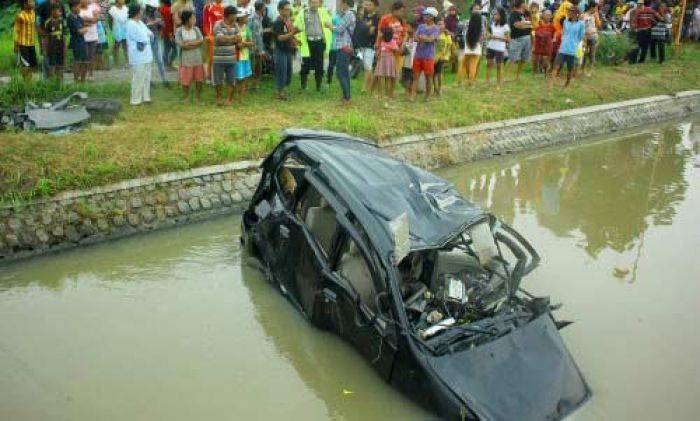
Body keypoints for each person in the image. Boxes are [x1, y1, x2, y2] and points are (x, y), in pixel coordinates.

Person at [294, 0, 332, 91]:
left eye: (316, 2)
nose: (314, 4)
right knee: (305, 64)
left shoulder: (323, 12)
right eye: (312, 2)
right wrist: (297, 39)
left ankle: (318, 86)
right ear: (309, 3)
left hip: (319, 42)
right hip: (307, 42)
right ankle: (303, 85)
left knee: (319, 65)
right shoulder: (303, 13)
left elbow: (330, 24)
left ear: (319, 3)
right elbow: (296, 26)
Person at [549, 7, 585, 88]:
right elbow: (564, 32)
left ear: (576, 13)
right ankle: (551, 84)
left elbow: (580, 36)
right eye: (568, 11)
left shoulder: (581, 24)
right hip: (562, 48)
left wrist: (575, 42)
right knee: (556, 66)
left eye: (570, 12)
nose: (568, 13)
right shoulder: (565, 21)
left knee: (570, 69)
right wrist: (565, 40)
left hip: (572, 50)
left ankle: (567, 83)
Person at [126, 4, 154, 105]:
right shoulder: (130, 24)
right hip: (137, 55)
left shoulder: (140, 23)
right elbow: (141, 37)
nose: (142, 13)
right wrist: (147, 37)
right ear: (137, 12)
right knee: (138, 77)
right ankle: (135, 100)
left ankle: (146, 97)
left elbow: (150, 33)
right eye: (141, 11)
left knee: (147, 77)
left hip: (147, 54)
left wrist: (147, 36)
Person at [378, 1, 407, 94]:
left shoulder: (402, 21)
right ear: (395, 10)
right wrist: (378, 47)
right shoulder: (385, 19)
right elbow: (380, 33)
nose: (402, 13)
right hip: (387, 50)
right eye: (401, 11)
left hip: (398, 49)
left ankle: (391, 92)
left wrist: (402, 45)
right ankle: (385, 92)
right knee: (387, 72)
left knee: (395, 72)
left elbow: (405, 34)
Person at [213, 5, 240, 105]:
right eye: (234, 15)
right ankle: (218, 98)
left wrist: (228, 38)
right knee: (218, 80)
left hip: (232, 58)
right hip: (218, 59)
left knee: (231, 80)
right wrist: (233, 38)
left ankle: (229, 99)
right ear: (229, 15)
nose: (236, 17)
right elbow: (220, 38)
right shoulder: (218, 24)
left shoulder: (235, 25)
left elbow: (239, 38)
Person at [175, 9, 204, 101]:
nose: (194, 20)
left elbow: (201, 40)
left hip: (197, 59)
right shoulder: (179, 30)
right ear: (187, 20)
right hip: (186, 60)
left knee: (199, 79)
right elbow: (182, 44)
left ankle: (198, 97)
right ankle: (186, 96)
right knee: (185, 79)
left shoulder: (196, 29)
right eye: (192, 18)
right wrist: (194, 43)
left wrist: (189, 43)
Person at [410, 7, 439, 101]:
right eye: (425, 15)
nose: (425, 17)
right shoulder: (421, 26)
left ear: (432, 17)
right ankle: (412, 95)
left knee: (428, 77)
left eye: (427, 15)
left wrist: (423, 38)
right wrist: (425, 38)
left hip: (428, 56)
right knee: (415, 76)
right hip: (418, 55)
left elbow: (432, 39)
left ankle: (428, 95)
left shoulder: (436, 28)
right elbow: (415, 37)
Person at [273, 0, 298, 100]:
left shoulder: (288, 21)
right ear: (279, 10)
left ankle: (283, 91)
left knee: (288, 72)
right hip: (280, 50)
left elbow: (290, 35)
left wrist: (295, 40)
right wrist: (292, 33)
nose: (288, 12)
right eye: (286, 9)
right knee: (281, 72)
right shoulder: (277, 22)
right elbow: (280, 37)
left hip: (288, 49)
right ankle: (280, 93)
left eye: (289, 9)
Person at [332, 0, 356, 105]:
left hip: (344, 47)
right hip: (343, 46)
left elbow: (339, 29)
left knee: (341, 73)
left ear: (345, 3)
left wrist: (329, 26)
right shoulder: (345, 14)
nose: (339, 5)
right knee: (344, 73)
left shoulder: (349, 14)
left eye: (341, 2)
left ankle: (347, 97)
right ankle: (346, 96)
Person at [356, 0, 380, 93]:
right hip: (362, 44)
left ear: (375, 6)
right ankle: (370, 87)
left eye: (370, 5)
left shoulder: (377, 18)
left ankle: (365, 87)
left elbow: (372, 32)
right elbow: (362, 30)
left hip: (371, 44)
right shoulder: (365, 16)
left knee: (368, 66)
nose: (367, 6)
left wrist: (366, 28)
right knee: (366, 65)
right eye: (367, 5)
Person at [36, 0, 64, 79]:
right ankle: (47, 79)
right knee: (46, 55)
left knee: (58, 59)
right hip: (46, 35)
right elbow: (37, 20)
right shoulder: (43, 5)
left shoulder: (61, 5)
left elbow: (63, 18)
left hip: (58, 38)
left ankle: (58, 79)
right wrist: (41, 32)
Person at [506, 0, 532, 82]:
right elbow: (516, 25)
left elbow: (532, 24)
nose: (526, 5)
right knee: (513, 58)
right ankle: (506, 77)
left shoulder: (526, 14)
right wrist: (527, 24)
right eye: (525, 3)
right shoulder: (514, 14)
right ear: (521, 4)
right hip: (517, 39)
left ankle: (518, 77)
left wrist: (524, 24)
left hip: (527, 37)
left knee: (524, 59)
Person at [458, 5, 483, 87]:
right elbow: (482, 38)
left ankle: (459, 81)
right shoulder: (481, 25)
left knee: (463, 64)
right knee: (473, 66)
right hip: (476, 47)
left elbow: (464, 35)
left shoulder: (466, 23)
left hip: (468, 46)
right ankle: (471, 83)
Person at [143, 4, 169, 85]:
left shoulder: (156, 12)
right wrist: (155, 22)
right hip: (146, 40)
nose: (154, 9)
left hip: (155, 38)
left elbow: (162, 23)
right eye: (152, 8)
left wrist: (160, 24)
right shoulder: (143, 14)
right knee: (147, 61)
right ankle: (149, 81)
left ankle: (164, 80)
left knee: (159, 60)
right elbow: (144, 25)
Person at [485, 7, 509, 87]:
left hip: (500, 48)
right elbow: (488, 35)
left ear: (501, 16)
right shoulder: (492, 24)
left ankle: (499, 82)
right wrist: (488, 35)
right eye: (494, 14)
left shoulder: (505, 26)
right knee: (489, 64)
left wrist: (496, 37)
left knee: (499, 66)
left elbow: (508, 39)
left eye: (496, 14)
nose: (494, 16)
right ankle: (487, 81)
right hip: (491, 46)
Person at [14, 0, 38, 81]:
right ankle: (26, 82)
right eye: (30, 2)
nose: (33, 3)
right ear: (25, 4)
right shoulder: (20, 16)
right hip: (23, 43)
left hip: (32, 43)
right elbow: (16, 31)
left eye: (33, 2)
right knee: (25, 64)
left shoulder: (33, 13)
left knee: (32, 64)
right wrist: (16, 45)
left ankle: (29, 80)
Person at [203, 0, 225, 83]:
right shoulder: (208, 7)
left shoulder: (224, 7)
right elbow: (205, 23)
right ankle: (209, 77)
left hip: (222, 36)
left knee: (221, 57)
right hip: (212, 36)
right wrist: (208, 34)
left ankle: (220, 77)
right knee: (212, 57)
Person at [374, 26, 398, 99]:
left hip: (389, 60)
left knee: (388, 77)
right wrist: (377, 53)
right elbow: (377, 48)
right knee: (379, 76)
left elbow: (396, 49)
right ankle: (380, 93)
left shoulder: (393, 41)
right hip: (381, 59)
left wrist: (390, 47)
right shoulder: (381, 41)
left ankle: (387, 94)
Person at [68, 0, 89, 82]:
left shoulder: (79, 17)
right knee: (78, 61)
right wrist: (85, 29)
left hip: (82, 41)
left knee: (85, 61)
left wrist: (83, 29)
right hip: (76, 42)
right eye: (78, 6)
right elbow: (80, 31)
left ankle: (83, 80)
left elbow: (82, 29)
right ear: (73, 7)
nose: (80, 8)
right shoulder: (71, 18)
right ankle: (76, 80)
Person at [44, 3, 65, 82]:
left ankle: (60, 82)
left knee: (60, 65)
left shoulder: (62, 21)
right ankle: (52, 82)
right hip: (52, 45)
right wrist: (46, 48)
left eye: (59, 11)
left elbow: (64, 35)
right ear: (52, 11)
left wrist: (64, 46)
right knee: (52, 64)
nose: (59, 12)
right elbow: (46, 37)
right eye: (57, 11)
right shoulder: (48, 22)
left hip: (60, 45)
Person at [78, 0, 99, 77]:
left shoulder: (92, 8)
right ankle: (83, 73)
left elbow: (96, 19)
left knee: (91, 56)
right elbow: (79, 21)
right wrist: (90, 20)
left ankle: (90, 74)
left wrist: (86, 20)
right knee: (84, 56)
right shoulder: (78, 9)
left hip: (93, 35)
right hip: (84, 36)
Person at [235, 11, 254, 96]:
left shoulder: (247, 28)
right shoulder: (234, 28)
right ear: (240, 18)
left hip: (246, 55)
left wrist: (244, 44)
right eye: (245, 17)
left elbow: (251, 42)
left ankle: (242, 93)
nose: (247, 18)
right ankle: (237, 92)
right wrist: (243, 44)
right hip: (237, 56)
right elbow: (236, 44)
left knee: (245, 75)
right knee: (238, 76)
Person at [533, 9, 555, 75]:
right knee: (537, 59)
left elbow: (553, 36)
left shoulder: (552, 26)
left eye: (550, 15)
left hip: (547, 46)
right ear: (543, 15)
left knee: (545, 60)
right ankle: (535, 72)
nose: (548, 16)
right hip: (538, 45)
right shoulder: (538, 24)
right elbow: (533, 33)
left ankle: (544, 71)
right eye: (547, 15)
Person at [433, 17, 452, 95]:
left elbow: (449, 45)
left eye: (442, 24)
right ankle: (435, 89)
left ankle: (440, 88)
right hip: (433, 57)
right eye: (438, 24)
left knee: (439, 73)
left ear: (444, 25)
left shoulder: (446, 34)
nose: (440, 26)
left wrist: (445, 53)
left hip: (442, 57)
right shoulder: (434, 34)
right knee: (433, 73)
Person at [109, 0, 129, 68]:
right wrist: (112, 29)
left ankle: (127, 61)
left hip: (125, 28)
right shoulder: (112, 9)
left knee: (125, 45)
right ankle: (116, 62)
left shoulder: (125, 8)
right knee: (117, 45)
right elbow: (110, 20)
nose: (123, 1)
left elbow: (127, 18)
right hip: (117, 28)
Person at [581, 2, 599, 75]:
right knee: (584, 54)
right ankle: (582, 70)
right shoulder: (584, 16)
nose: (596, 9)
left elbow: (594, 26)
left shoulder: (593, 16)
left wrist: (597, 35)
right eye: (595, 8)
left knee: (592, 54)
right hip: (585, 37)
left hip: (593, 37)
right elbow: (582, 27)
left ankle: (590, 71)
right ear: (591, 7)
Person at [399, 22, 416, 93]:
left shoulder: (417, 38)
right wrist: (405, 38)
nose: (406, 29)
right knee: (405, 79)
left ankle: (411, 92)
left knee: (413, 78)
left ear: (413, 28)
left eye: (408, 27)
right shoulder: (406, 38)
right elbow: (401, 51)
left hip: (414, 62)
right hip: (406, 62)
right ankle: (407, 91)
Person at [160, 0, 176, 70]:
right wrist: (170, 34)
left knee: (167, 48)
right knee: (173, 49)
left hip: (166, 32)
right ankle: (167, 65)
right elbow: (168, 23)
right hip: (169, 32)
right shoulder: (168, 9)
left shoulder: (163, 9)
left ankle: (167, 65)